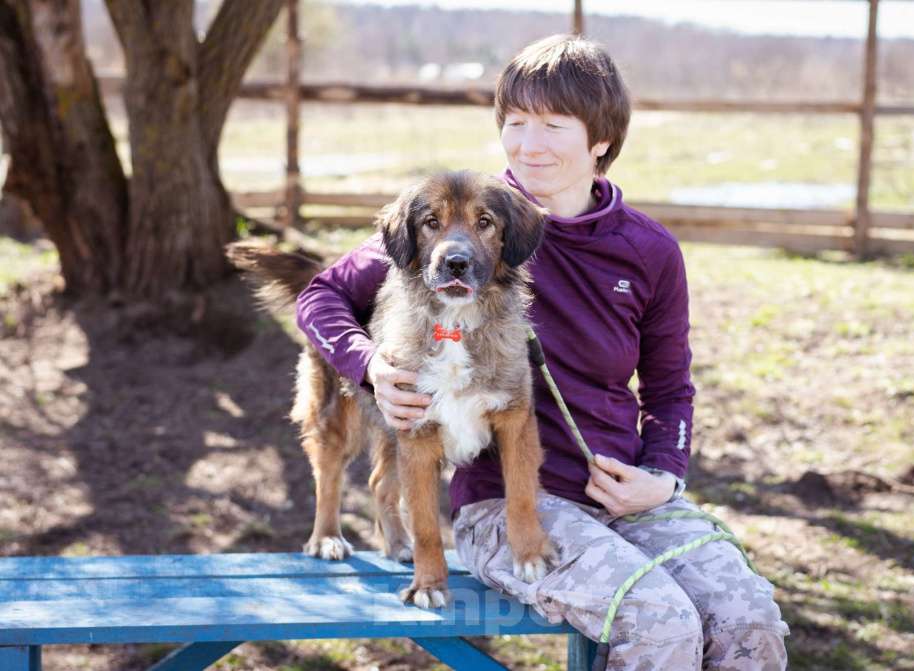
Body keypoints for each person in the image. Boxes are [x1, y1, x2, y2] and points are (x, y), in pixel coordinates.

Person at [296, 34, 789, 671]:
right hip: (508, 507)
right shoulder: (468, 221)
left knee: (750, 618)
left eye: (554, 124)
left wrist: (663, 474)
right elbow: (321, 296)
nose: (530, 143)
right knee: (659, 621)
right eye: (516, 123)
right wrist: (370, 365)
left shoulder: (649, 251)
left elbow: (671, 390)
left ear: (601, 140)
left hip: (627, 497)